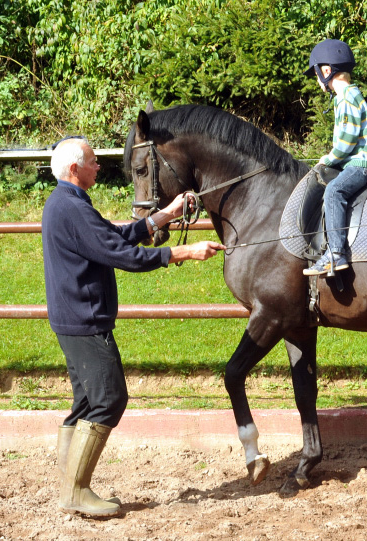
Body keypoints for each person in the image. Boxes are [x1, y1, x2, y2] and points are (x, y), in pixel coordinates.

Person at [42, 138, 225, 517]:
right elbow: (122, 255)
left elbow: (111, 238)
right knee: (109, 399)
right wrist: (183, 252)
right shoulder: (72, 208)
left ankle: (70, 481)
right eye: (93, 162)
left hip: (72, 319)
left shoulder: (67, 203)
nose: (99, 167)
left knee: (87, 401)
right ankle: (75, 490)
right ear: (75, 170)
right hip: (85, 321)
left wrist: (164, 215)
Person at [303, 38, 367, 276]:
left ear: (327, 71)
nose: (318, 82)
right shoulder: (352, 94)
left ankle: (336, 254)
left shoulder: (345, 97)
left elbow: (347, 141)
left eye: (317, 74)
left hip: (364, 162)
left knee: (334, 191)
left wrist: (329, 159)